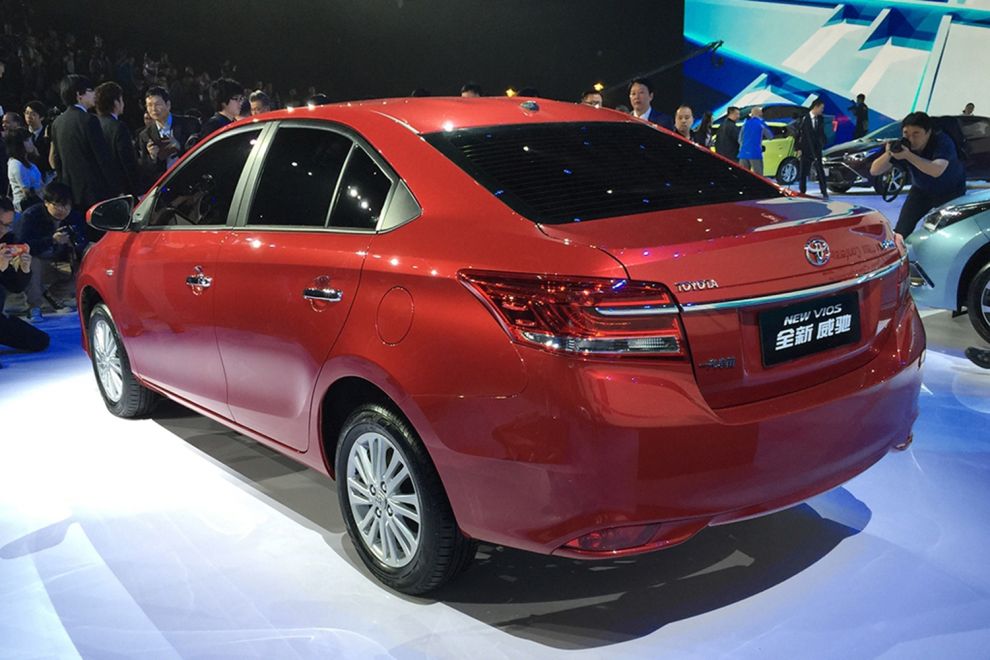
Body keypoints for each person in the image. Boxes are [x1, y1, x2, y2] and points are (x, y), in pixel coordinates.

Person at [870, 111, 967, 237]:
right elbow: (874, 170)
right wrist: (889, 153)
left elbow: (936, 170)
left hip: (951, 191)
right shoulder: (903, 145)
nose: (911, 139)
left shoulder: (942, 142)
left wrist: (908, 156)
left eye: (916, 133)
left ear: (928, 132)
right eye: (906, 133)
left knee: (950, 232)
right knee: (901, 230)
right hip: (921, 190)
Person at [48, 74, 120, 213]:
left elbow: (57, 160)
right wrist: (116, 188)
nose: (94, 94)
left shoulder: (57, 123)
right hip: (94, 193)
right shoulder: (89, 120)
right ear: (79, 95)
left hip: (70, 192)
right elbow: (102, 158)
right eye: (90, 91)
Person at [18, 182, 87, 319]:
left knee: (85, 267)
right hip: (37, 261)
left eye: (66, 206)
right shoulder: (32, 216)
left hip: (60, 262)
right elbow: (23, 246)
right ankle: (34, 307)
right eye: (57, 205)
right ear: (46, 203)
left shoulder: (75, 217)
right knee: (31, 262)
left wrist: (74, 243)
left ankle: (52, 295)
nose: (62, 210)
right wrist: (52, 240)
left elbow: (83, 241)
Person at [1, 197, 49, 362]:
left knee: (39, 341)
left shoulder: (7, 240)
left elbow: (15, 286)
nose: (4, 230)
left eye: (8, 225)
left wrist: (24, 269)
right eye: (1, 224)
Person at [136, 86, 200, 187]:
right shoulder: (145, 135)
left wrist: (179, 146)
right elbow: (146, 171)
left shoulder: (189, 124)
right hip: (165, 186)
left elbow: (200, 154)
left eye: (157, 104)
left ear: (168, 104)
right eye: (149, 105)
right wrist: (153, 158)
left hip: (190, 180)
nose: (153, 109)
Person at [94, 81, 141, 196]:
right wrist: (138, 190)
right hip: (122, 188)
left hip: (102, 187)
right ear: (116, 102)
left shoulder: (93, 124)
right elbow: (127, 161)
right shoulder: (118, 127)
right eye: (121, 99)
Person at [796, 99, 829, 200]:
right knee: (803, 172)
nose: (822, 110)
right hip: (806, 149)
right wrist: (798, 148)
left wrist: (823, 142)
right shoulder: (804, 118)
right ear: (816, 107)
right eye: (821, 108)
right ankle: (802, 192)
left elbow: (821, 133)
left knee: (820, 171)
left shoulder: (821, 119)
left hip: (817, 149)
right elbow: (798, 135)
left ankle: (824, 192)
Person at [5, 128, 42, 211]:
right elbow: (27, 192)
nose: (31, 143)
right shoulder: (16, 164)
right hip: (26, 207)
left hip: (38, 202)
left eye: (30, 139)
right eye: (27, 140)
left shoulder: (28, 160)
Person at [197, 78, 244, 143]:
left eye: (241, 99)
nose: (240, 103)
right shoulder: (214, 126)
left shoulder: (232, 121)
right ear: (224, 101)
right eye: (236, 99)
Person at [738, 106, 773, 175]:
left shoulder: (745, 124)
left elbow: (739, 139)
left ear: (752, 114)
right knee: (758, 175)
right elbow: (770, 136)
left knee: (742, 175)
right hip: (755, 153)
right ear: (760, 113)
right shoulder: (761, 123)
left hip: (743, 153)